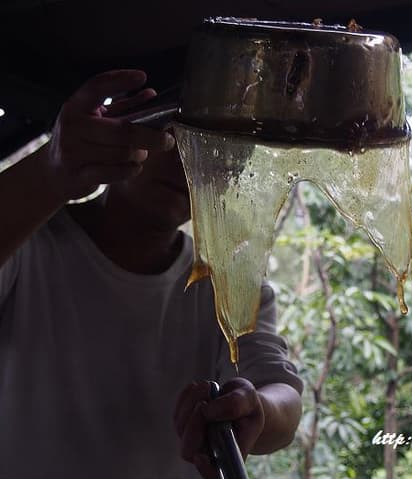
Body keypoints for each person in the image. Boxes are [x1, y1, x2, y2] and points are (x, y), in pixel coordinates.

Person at [0, 69, 303, 479]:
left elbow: (283, 397)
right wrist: (49, 170)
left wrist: (257, 409)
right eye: (170, 134)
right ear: (126, 131)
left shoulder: (230, 287)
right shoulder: (28, 245)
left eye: (210, 153)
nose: (185, 164)